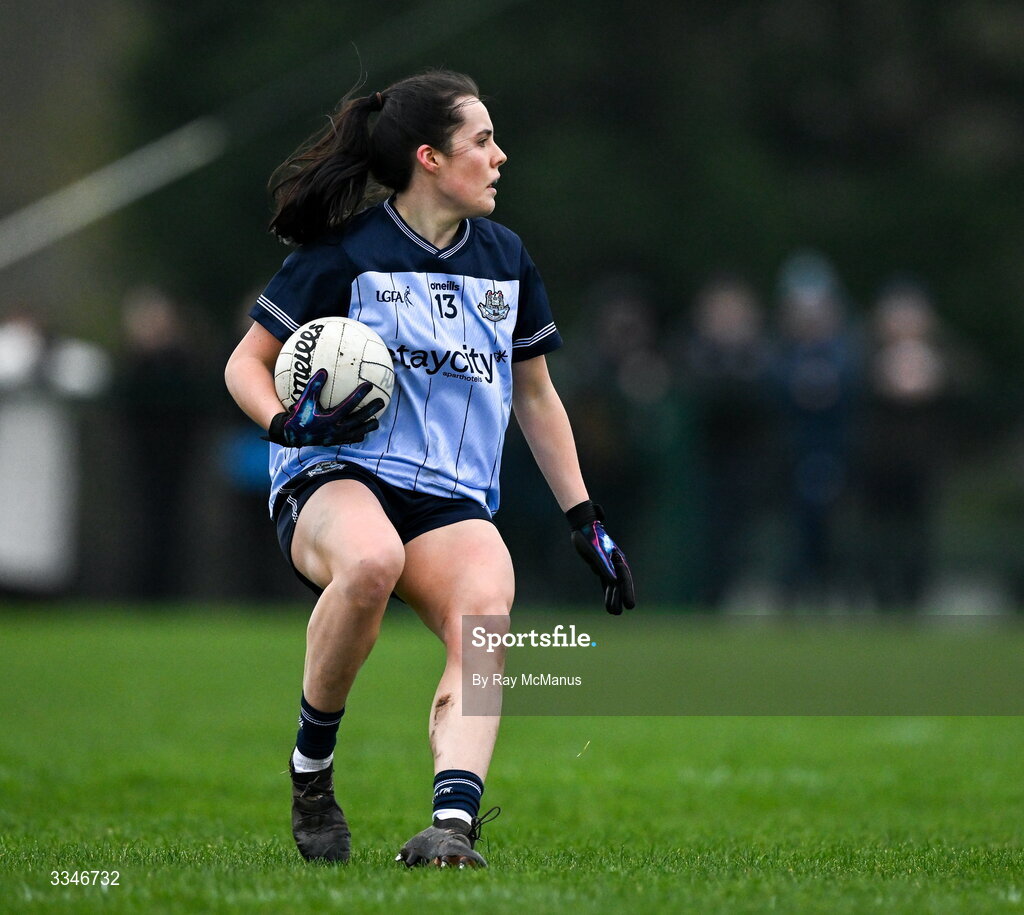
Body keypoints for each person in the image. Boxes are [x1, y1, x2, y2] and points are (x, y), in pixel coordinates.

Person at [224, 70, 634, 869]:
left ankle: (451, 827)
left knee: (487, 615)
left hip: (447, 496)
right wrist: (286, 422)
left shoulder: (505, 259)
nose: (500, 155)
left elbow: (537, 397)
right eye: (482, 141)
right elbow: (247, 361)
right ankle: (312, 774)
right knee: (370, 560)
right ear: (430, 159)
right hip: (332, 474)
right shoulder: (346, 256)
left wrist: (586, 519)